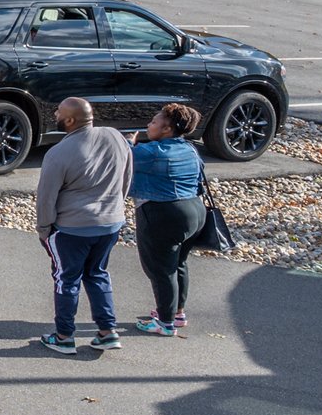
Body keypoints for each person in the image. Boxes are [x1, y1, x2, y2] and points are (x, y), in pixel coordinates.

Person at [35, 96, 132, 353]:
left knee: (66, 279)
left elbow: (47, 197)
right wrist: (116, 207)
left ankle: (64, 336)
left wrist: (44, 229)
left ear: (69, 120)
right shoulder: (115, 137)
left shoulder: (58, 153)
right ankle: (107, 331)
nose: (55, 113)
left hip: (72, 228)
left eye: (58, 111)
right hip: (111, 223)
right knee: (97, 273)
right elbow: (126, 175)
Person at [131, 102, 207, 337]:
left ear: (167, 129)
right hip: (195, 211)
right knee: (178, 264)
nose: (148, 125)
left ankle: (164, 323)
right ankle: (177, 313)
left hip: (163, 213)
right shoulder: (190, 148)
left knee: (160, 269)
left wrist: (128, 141)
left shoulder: (153, 152)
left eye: (154, 122)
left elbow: (122, 156)